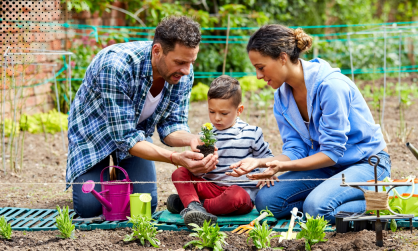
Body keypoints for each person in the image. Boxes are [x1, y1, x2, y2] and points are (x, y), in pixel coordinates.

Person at [227, 24, 390, 223]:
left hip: (367, 164)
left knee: (316, 208)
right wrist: (260, 163)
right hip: (329, 167)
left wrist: (281, 166)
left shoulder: (331, 86)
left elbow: (332, 153)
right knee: (266, 202)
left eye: (261, 67)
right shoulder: (282, 96)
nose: (258, 76)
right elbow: (296, 149)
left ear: (283, 57)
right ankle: (326, 199)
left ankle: (382, 200)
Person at [67, 16, 218, 218]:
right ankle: (109, 174)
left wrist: (192, 140)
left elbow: (172, 125)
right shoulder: (116, 66)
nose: (186, 70)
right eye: (180, 62)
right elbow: (124, 138)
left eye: (191, 62)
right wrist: (175, 158)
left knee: (145, 204)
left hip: (134, 134)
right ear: (157, 51)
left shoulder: (182, 73)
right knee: (90, 208)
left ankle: (119, 173)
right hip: (94, 136)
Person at [167, 75, 274, 229]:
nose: (217, 118)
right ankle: (193, 206)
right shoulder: (205, 136)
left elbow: (267, 157)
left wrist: (267, 171)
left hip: (238, 193)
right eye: (212, 112)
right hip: (211, 187)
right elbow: (198, 168)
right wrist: (197, 166)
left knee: (236, 195)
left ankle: (193, 206)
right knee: (180, 173)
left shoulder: (252, 133)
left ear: (239, 110)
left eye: (224, 113)